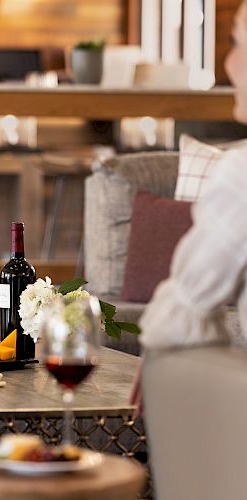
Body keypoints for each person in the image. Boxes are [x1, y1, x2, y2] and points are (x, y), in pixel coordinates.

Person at [131, 1, 247, 411]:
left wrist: (154, 360)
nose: (228, 65)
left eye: (236, 43)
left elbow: (188, 306)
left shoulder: (242, 175)